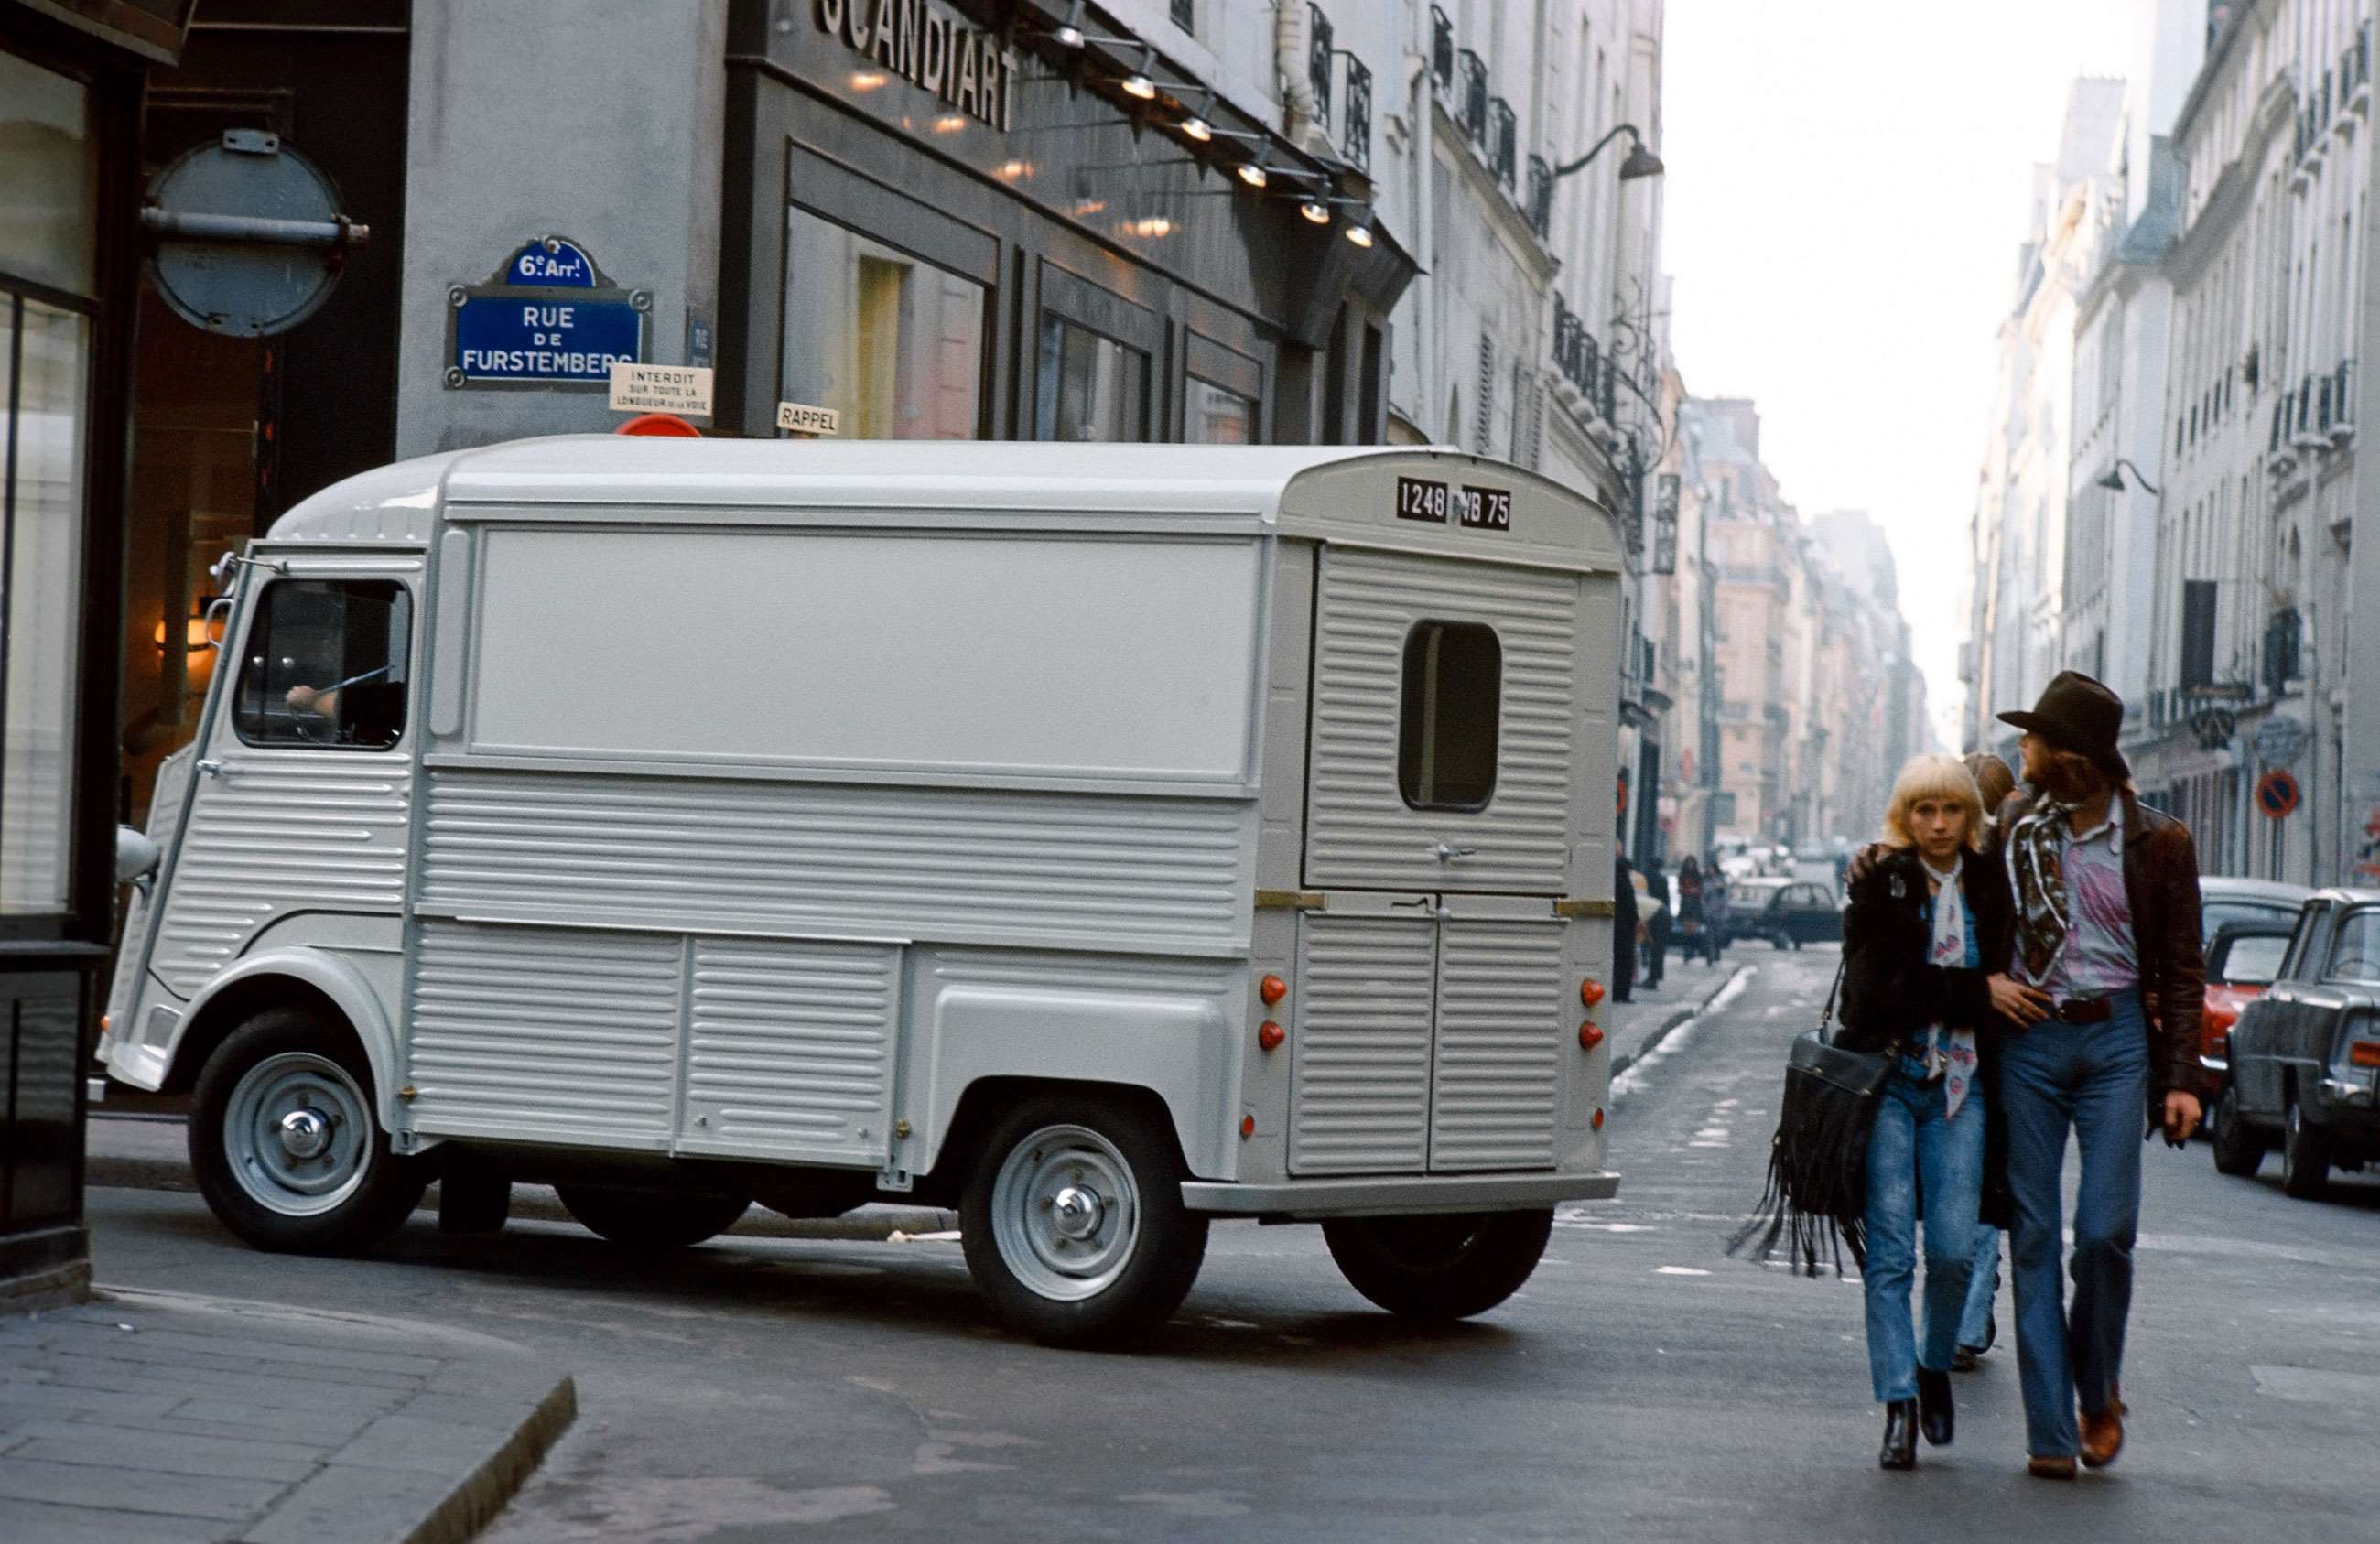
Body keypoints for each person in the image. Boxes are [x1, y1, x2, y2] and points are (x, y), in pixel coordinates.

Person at [1991, 672, 2208, 1480]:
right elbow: (1950, 884)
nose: (2024, 750)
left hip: (2117, 1038)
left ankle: (2098, 1389)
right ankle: (2051, 1429)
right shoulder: (2013, 827)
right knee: (2036, 1235)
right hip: (2030, 1036)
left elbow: (2184, 969)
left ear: (2071, 758)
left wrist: (2182, 1078)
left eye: (2035, 740)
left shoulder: (2161, 842)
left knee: (2107, 1231)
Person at [1838, 754, 2035, 1470]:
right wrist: (1977, 992)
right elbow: (1874, 994)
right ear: (1905, 815)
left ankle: (1928, 1364)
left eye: (1951, 809)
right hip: (1891, 1083)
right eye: (1924, 811)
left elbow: (2000, 974)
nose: (1939, 824)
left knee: (1954, 1252)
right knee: (1890, 1255)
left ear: (1969, 815)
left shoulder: (1989, 882)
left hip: (1963, 1089)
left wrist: (1963, 991)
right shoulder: (1882, 880)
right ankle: (1898, 1404)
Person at [1953, 750, 2019, 1371]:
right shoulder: (2013, 872)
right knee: (1981, 1190)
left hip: (1956, 1049)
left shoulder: (1943, 866)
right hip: (1998, 1052)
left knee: (1958, 1187)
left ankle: (1963, 1316)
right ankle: (1968, 1319)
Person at [1638, 861, 1671, 989]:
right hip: (1660, 911)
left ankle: (1652, 980)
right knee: (1657, 949)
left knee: (1656, 948)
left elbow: (1641, 923)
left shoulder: (1644, 877)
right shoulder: (1662, 878)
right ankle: (1653, 978)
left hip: (1658, 915)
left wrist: (1648, 937)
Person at [1612, 849, 1638, 1004]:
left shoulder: (1615, 882)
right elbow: (1630, 905)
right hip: (1626, 929)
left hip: (1618, 927)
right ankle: (1622, 994)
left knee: (1618, 962)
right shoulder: (1625, 883)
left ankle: (1617, 993)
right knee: (1625, 962)